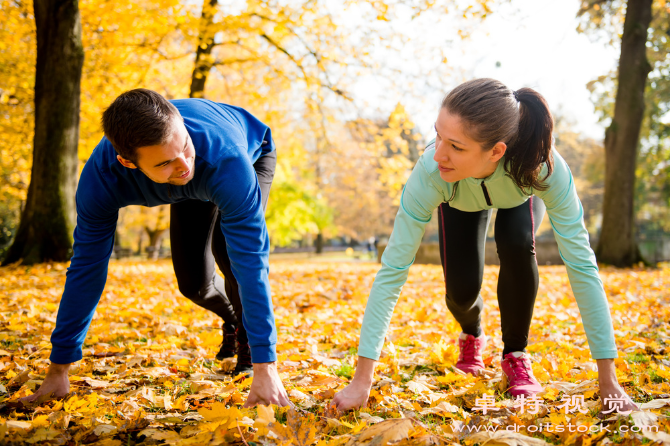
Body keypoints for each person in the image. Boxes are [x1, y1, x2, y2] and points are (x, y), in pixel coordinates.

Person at [331, 78, 638, 413]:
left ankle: (515, 354)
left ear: (496, 151)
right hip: (459, 196)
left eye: (456, 146)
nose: (438, 154)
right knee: (461, 292)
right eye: (438, 135)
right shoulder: (433, 173)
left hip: (518, 194)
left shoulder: (542, 167)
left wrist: (609, 381)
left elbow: (582, 265)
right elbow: (392, 270)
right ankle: (472, 332)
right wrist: (361, 380)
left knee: (519, 244)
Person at [23, 89, 290, 407]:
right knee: (194, 284)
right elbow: (86, 270)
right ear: (127, 162)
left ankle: (249, 347)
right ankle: (234, 320)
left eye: (184, 147)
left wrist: (267, 368)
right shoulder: (102, 180)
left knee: (230, 256)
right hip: (193, 181)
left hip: (247, 156)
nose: (183, 165)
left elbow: (252, 262)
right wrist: (58, 370)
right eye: (165, 162)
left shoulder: (221, 159)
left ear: (182, 128)